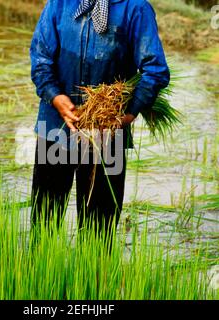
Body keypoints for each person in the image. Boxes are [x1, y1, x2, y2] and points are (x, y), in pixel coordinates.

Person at [29, 0, 170, 237]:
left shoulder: (135, 8)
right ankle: (41, 273)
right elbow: (41, 58)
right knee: (43, 221)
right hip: (55, 128)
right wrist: (55, 97)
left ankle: (93, 274)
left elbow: (155, 70)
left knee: (99, 231)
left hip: (107, 133)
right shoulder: (59, 4)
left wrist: (129, 113)